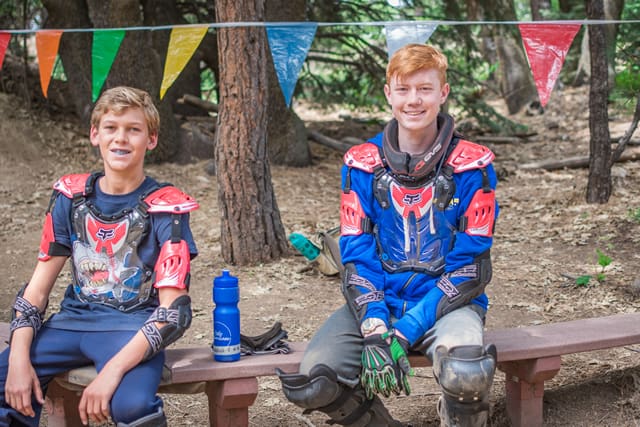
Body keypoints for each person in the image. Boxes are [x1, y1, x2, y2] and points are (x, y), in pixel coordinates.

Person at [278, 44, 499, 427]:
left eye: (425, 89)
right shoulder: (360, 164)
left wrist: (406, 330)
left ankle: (456, 416)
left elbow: (471, 268)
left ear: (443, 93)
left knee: (467, 375)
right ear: (388, 94)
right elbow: (357, 254)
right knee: (314, 383)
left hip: (447, 302)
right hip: (380, 299)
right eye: (403, 89)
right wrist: (376, 326)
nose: (414, 100)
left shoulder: (473, 166)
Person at [0, 86, 198, 427]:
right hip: (70, 324)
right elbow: (36, 290)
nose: (121, 138)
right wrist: (19, 360)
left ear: (150, 140)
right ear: (95, 134)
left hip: (131, 328)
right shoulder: (70, 197)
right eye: (111, 127)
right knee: (3, 381)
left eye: (133, 129)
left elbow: (173, 312)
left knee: (133, 407)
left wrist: (111, 374)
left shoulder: (168, 207)